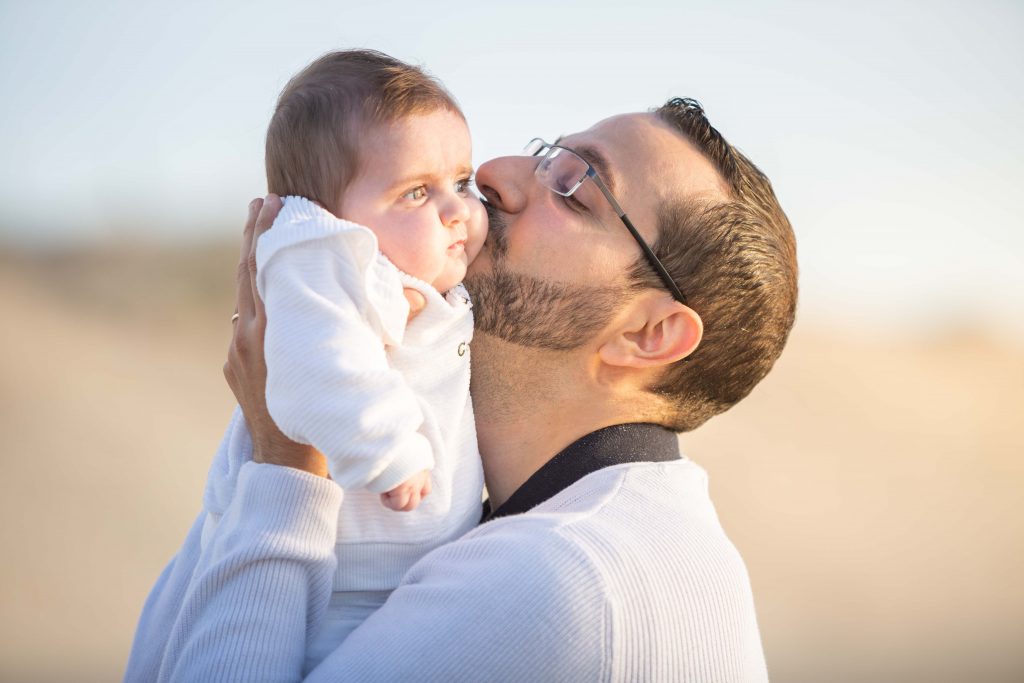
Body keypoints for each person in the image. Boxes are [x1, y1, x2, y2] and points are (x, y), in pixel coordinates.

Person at [125, 94, 797, 682]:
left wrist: (285, 463)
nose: (493, 174)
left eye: (577, 184)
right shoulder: (612, 531)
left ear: (648, 334)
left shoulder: (561, 575)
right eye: (546, 155)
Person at [167, 49, 488, 674]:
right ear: (325, 213)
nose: (456, 210)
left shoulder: (423, 276)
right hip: (339, 565)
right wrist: (387, 449)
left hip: (396, 560)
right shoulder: (324, 257)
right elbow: (323, 360)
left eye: (462, 182)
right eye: (417, 192)